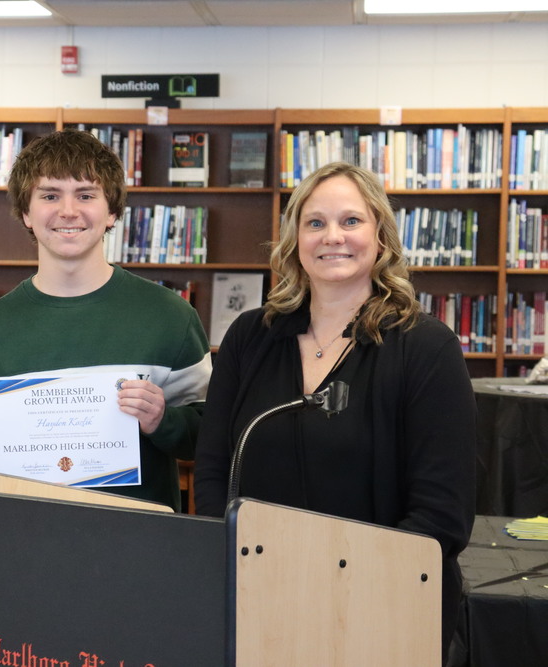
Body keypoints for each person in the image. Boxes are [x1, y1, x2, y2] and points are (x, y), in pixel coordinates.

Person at [192, 161, 476, 660]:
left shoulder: (427, 347)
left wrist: (342, 587)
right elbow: (214, 470)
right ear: (295, 239)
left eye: (351, 221)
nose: (332, 237)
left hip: (382, 609)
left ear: (380, 236)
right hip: (259, 598)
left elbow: (442, 512)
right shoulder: (249, 337)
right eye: (315, 222)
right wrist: (239, 566)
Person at [0, 128, 211, 511]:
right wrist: (0, 502)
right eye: (50, 195)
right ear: (26, 213)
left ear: (112, 211)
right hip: (25, 536)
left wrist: (163, 420)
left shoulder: (171, 317)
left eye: (85, 195)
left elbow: (211, 436)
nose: (68, 210)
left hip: (140, 539)